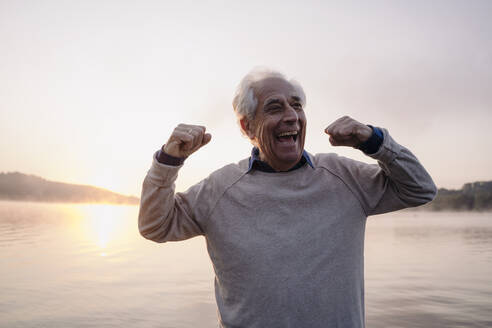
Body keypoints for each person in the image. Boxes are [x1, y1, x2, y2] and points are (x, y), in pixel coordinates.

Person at [138, 69, 437, 328]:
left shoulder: (343, 177)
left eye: (296, 106)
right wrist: (168, 161)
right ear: (247, 126)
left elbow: (420, 189)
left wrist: (374, 141)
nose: (292, 116)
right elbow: (155, 226)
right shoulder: (220, 189)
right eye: (275, 108)